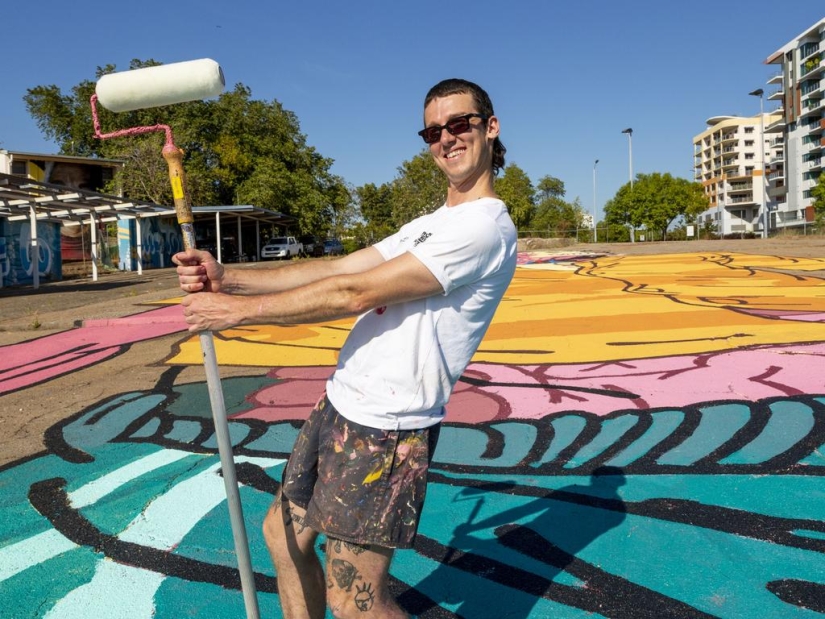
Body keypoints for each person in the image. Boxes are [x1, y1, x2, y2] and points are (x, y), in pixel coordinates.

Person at [173, 78, 517, 619]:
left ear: (489, 129)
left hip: (387, 426)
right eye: (433, 130)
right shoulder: (431, 224)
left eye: (459, 124)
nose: (446, 138)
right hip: (341, 403)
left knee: (356, 602)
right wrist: (229, 278)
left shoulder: (483, 229)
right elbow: (339, 267)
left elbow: (354, 292)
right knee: (282, 537)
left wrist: (236, 314)